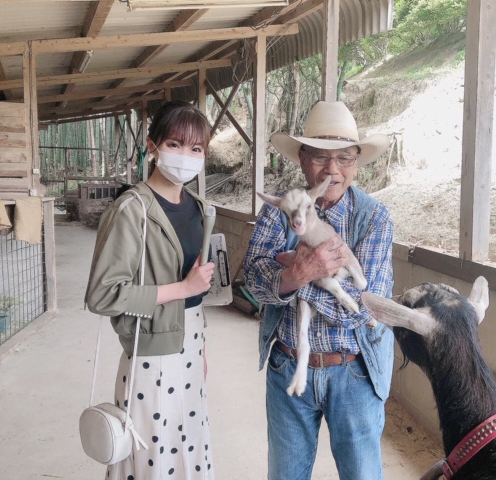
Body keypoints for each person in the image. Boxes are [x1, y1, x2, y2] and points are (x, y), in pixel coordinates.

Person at [243, 101, 395, 480]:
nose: (333, 170)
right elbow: (251, 281)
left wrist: (292, 277)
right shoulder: (277, 210)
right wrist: (307, 273)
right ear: (302, 159)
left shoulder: (374, 218)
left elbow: (363, 308)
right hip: (288, 364)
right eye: (321, 158)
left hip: (354, 371)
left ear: (357, 163)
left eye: (345, 158)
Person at [86, 100, 217, 480]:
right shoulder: (132, 209)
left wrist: (200, 345)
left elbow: (198, 293)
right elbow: (103, 294)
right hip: (150, 351)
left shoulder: (200, 208)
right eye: (175, 144)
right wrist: (181, 287)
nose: (186, 156)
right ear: (152, 145)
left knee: (190, 445)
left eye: (196, 149)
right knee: (151, 452)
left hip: (191, 344)